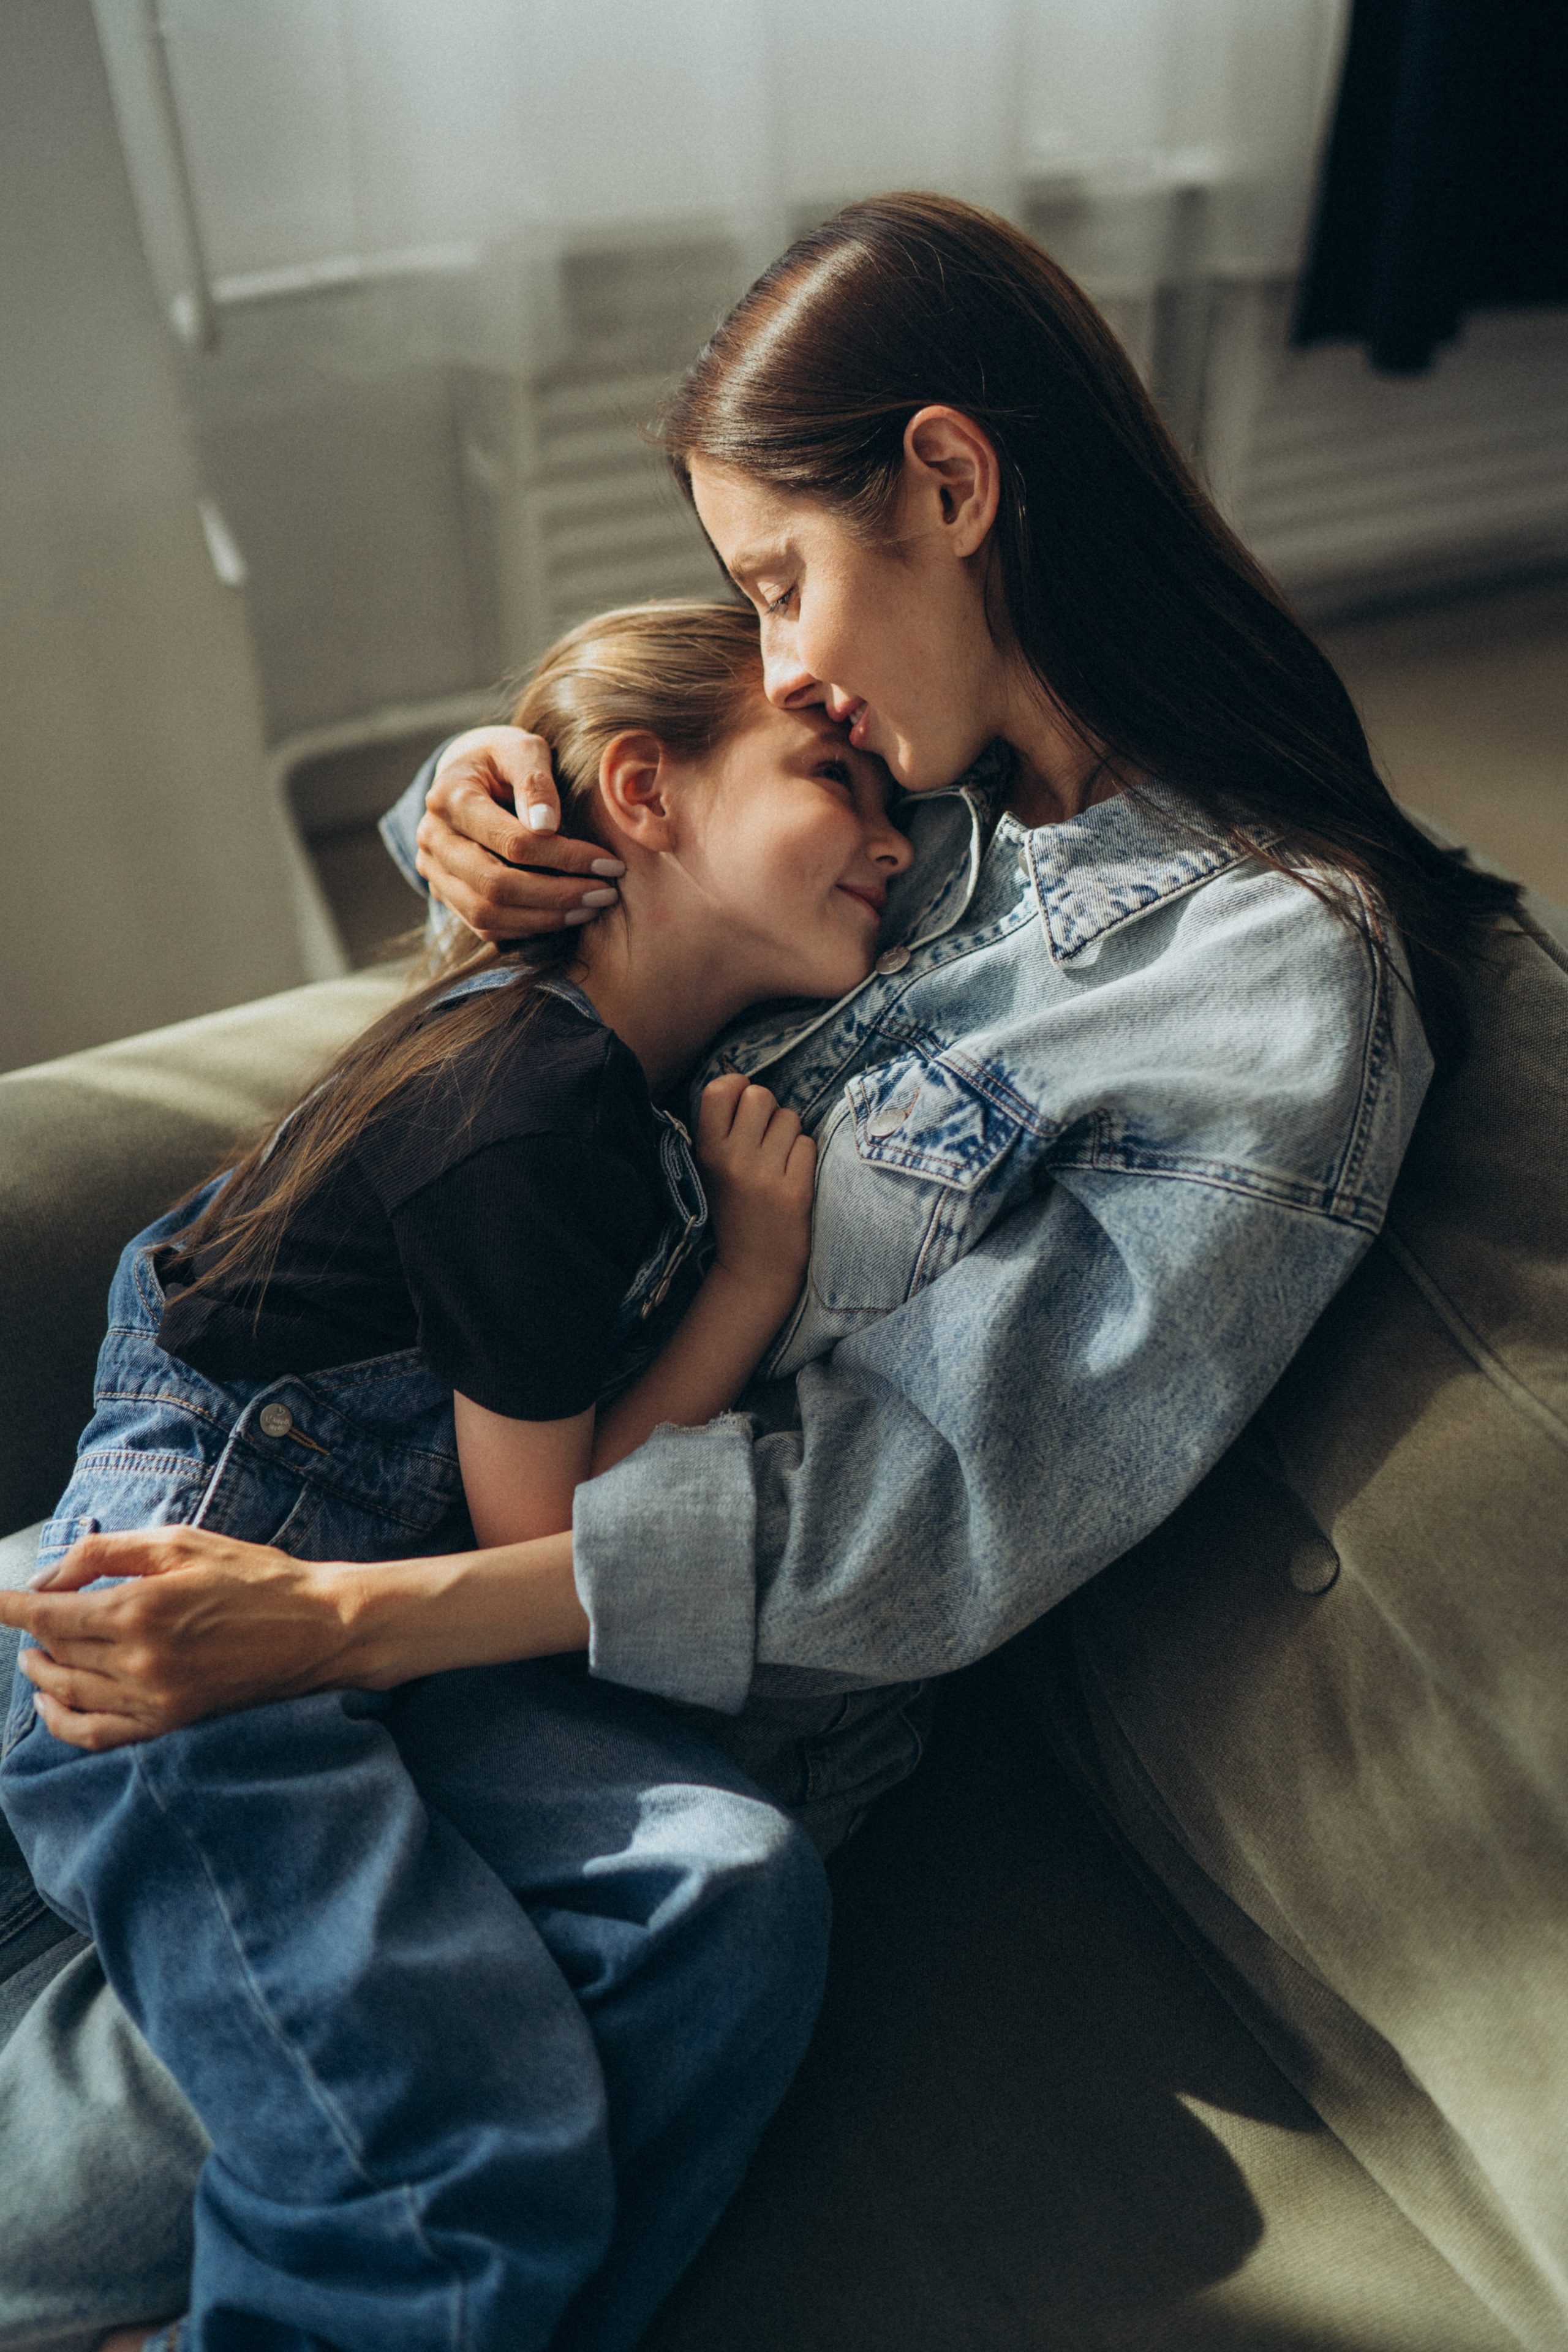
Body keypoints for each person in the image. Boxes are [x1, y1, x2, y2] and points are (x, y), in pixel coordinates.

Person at [0, 192, 1520, 2351]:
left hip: (553, 1625)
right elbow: (591, 990)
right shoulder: (914, 795)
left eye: (786, 579)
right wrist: (486, 809)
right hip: (385, 1479)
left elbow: (926, 1518)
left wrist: (353, 1622)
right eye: (751, 601)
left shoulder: (1272, 998)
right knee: (290, 1901)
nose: (786, 655)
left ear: (954, 482)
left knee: (689, 1921)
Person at [0, 599, 912, 2352]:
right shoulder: (532, 1095)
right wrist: (742, 1284)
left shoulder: (604, 1088)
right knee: (447, 2167)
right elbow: (552, 1552)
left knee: (734, 1885)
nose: (887, 836)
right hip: (180, 1643)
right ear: (644, 794)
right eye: (834, 778)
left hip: (363, 1641)